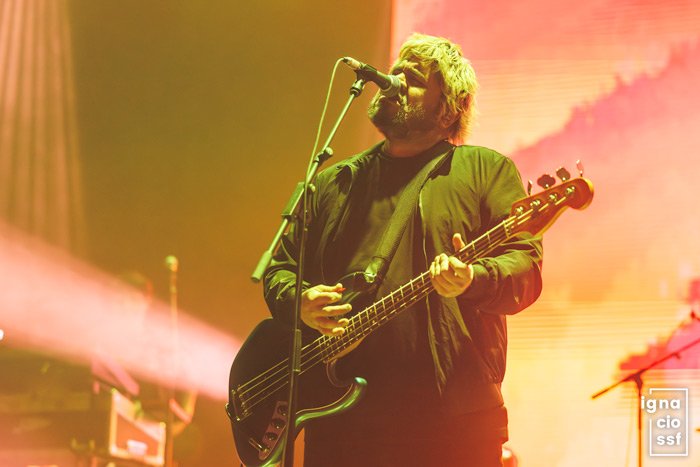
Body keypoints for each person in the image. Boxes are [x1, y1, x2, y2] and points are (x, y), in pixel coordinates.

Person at [264, 33, 543, 467]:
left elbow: (524, 268)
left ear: (449, 107)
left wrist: (473, 278)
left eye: (412, 79)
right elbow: (279, 268)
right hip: (338, 421)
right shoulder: (336, 182)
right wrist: (300, 302)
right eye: (394, 72)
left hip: (450, 424)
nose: (391, 82)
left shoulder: (485, 171)